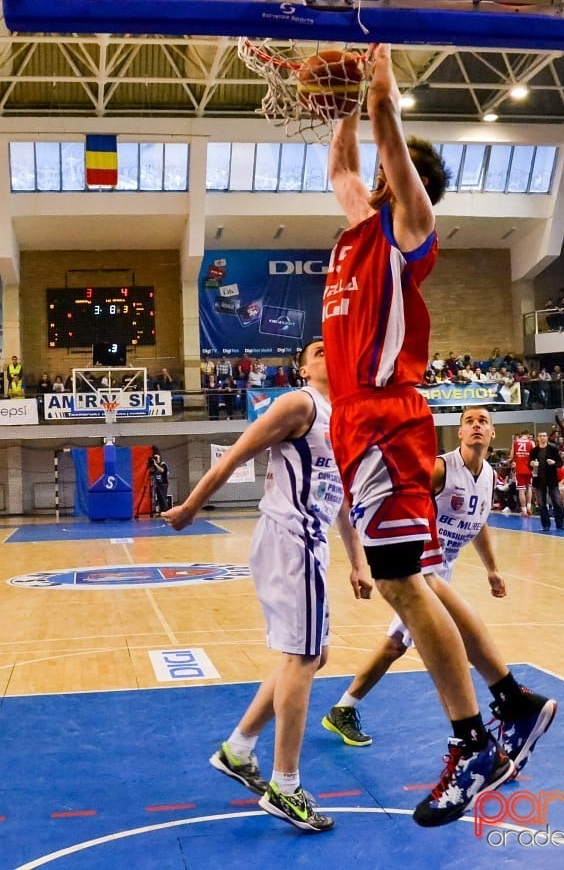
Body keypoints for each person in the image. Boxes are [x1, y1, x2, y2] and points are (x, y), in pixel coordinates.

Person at [323, 44, 520, 828]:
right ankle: (506, 705)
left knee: (409, 584)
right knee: (416, 581)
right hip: (359, 424)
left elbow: (380, 133)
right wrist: (334, 102)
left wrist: (374, 69)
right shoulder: (359, 228)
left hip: (386, 415)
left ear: (401, 183)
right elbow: (341, 163)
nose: (368, 179)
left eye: (384, 171)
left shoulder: (412, 228)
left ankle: (476, 738)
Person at [163, 340, 372, 833]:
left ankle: (238, 750)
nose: (327, 352)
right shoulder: (298, 404)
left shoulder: (343, 418)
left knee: (314, 656)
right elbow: (233, 456)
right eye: (317, 349)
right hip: (289, 536)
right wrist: (191, 508)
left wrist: (358, 561)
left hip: (311, 541)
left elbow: (341, 499)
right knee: (302, 657)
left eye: (331, 347)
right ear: (302, 367)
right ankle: (285, 785)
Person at [322, 407, 557, 777]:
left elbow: (478, 525)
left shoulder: (490, 475)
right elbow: (407, 499)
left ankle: (346, 709)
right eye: (469, 422)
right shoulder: (440, 469)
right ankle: (474, 740)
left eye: (483, 422)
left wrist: (492, 569)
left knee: (402, 645)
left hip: (441, 569)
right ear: (460, 433)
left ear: (493, 433)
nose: (476, 426)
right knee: (441, 654)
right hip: (419, 566)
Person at [528, 430, 564, 532]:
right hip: (539, 479)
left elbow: (560, 463)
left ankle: (560, 524)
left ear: (546, 437)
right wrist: (531, 464)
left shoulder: (553, 448)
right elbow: (529, 465)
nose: (542, 437)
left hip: (552, 479)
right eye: (540, 436)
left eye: (544, 436)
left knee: (557, 502)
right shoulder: (534, 451)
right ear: (538, 438)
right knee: (542, 504)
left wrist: (554, 462)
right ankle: (546, 525)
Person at [509, 431, 535, 515]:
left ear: (520, 435)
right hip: (529, 468)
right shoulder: (531, 442)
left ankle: (524, 511)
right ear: (527, 435)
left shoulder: (516, 442)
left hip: (519, 469)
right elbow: (535, 456)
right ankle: (529, 508)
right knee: (529, 488)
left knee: (521, 490)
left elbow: (511, 456)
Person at [150, 446, 169, 513]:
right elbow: (152, 473)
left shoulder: (163, 464)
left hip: (163, 484)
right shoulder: (154, 465)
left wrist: (156, 464)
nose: (156, 458)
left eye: (156, 457)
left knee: (163, 498)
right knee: (159, 498)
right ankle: (162, 511)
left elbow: (162, 470)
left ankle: (166, 511)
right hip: (157, 484)